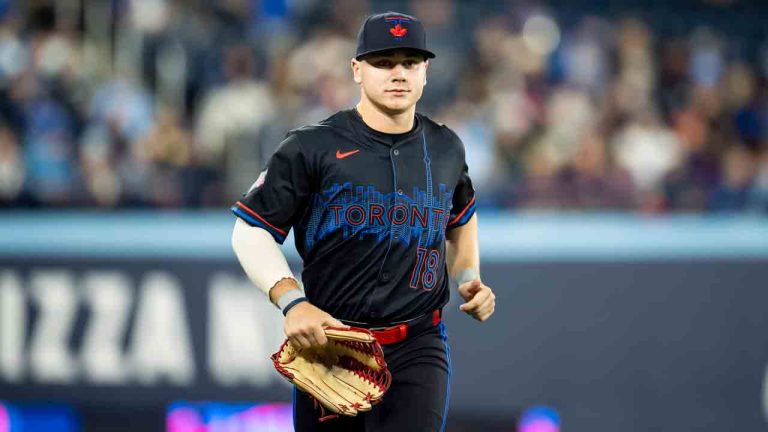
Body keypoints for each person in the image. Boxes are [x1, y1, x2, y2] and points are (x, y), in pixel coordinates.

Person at [231, 11, 495, 431]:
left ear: (425, 72)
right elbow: (250, 229)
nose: (398, 73)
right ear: (357, 70)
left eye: (410, 63)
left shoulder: (446, 147)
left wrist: (468, 275)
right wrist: (291, 300)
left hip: (418, 345)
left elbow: (460, 217)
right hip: (333, 345)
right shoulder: (312, 146)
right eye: (383, 62)